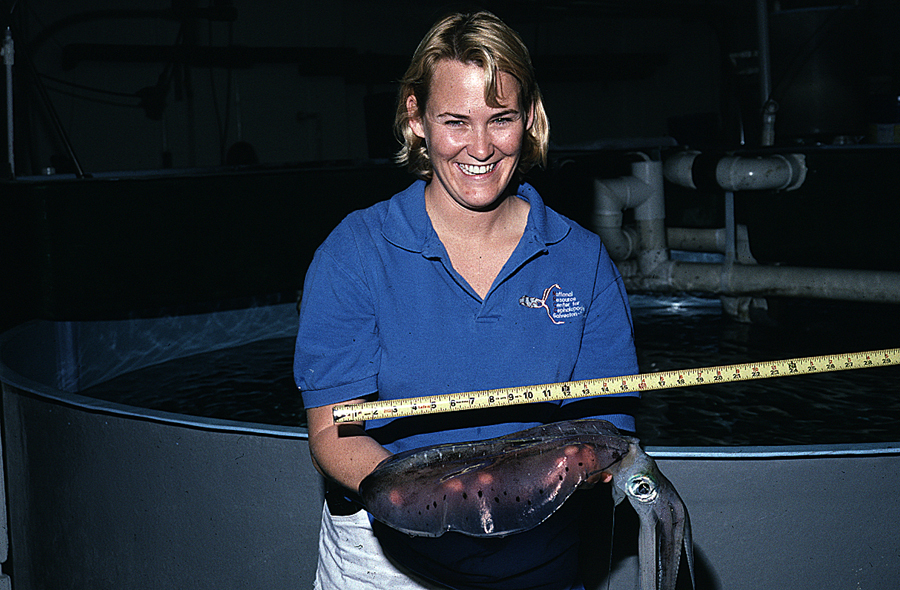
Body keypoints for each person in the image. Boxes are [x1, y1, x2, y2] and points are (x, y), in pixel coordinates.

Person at [294, 10, 639, 590]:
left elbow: (606, 428)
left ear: (528, 118)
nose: (480, 147)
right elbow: (334, 433)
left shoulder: (582, 260)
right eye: (456, 120)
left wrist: (541, 485)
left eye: (500, 118)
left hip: (539, 563)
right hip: (385, 567)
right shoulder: (354, 252)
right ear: (417, 118)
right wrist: (436, 501)